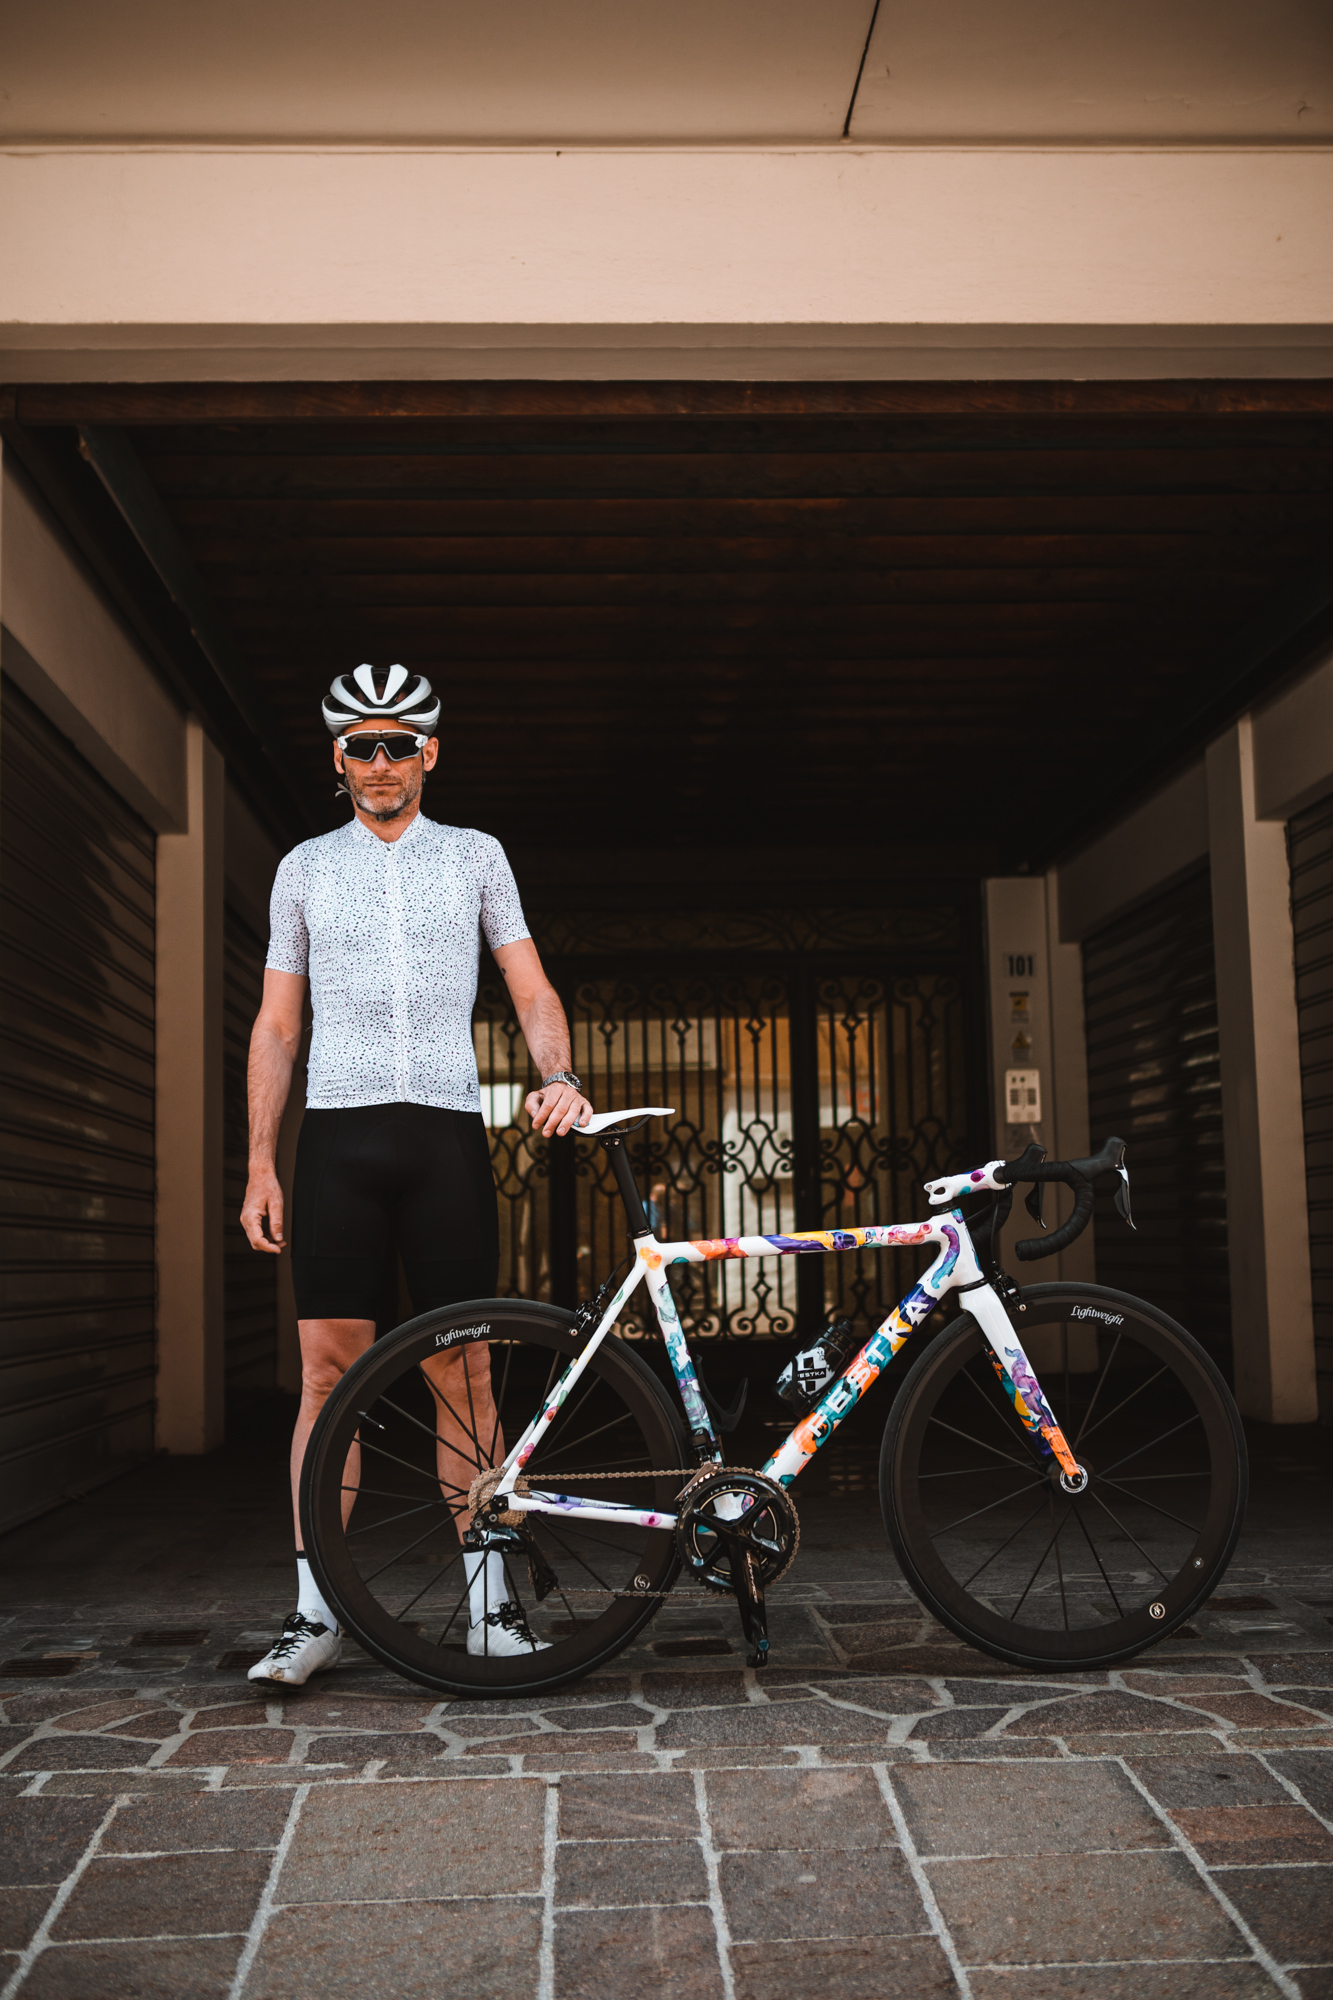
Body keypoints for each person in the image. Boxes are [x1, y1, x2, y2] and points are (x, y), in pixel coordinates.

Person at [239, 663, 593, 1685]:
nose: (380, 762)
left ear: (429, 753)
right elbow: (277, 1023)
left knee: (465, 1370)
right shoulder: (304, 867)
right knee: (325, 1377)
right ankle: (314, 1613)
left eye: (399, 744)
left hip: (443, 1134)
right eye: (362, 746)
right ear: (338, 758)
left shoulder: (476, 855)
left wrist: (558, 1075)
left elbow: (529, 984)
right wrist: (259, 1160)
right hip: (337, 1140)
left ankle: (487, 1604)